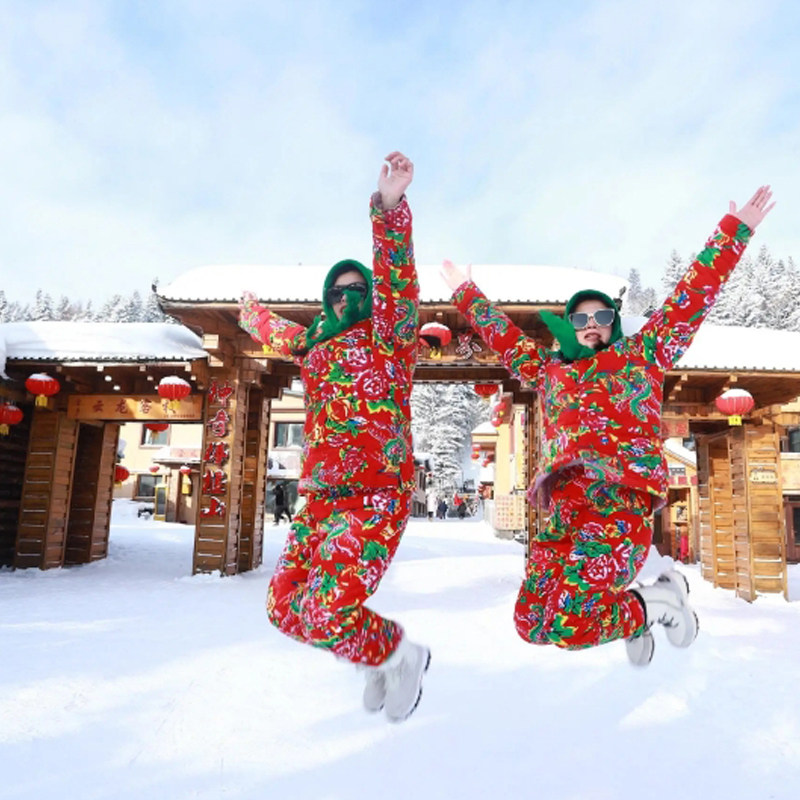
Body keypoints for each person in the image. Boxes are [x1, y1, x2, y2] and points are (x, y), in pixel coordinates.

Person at [440, 186, 774, 666]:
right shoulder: (549, 370)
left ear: (613, 321)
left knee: (571, 624)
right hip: (563, 508)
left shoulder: (644, 354)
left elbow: (690, 298)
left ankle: (651, 605)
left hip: (618, 504)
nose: (591, 322)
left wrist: (734, 231)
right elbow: (505, 337)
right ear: (571, 325)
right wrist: (464, 291)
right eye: (581, 316)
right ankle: (629, 611)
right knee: (531, 623)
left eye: (601, 315)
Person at [239, 152, 430, 722]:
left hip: (374, 494)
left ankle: (401, 656)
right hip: (320, 497)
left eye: (356, 287)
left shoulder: (391, 336)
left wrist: (389, 207)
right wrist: (248, 311)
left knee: (328, 608)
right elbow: (274, 329)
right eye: (337, 290)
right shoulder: (315, 345)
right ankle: (376, 657)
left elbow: (397, 280)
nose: (347, 295)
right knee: (283, 607)